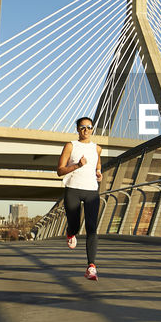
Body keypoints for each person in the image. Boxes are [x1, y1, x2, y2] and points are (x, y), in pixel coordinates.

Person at [57, 116, 103, 280]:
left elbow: (97, 164)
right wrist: (78, 165)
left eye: (89, 127)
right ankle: (71, 233)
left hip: (91, 190)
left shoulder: (97, 148)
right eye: (82, 127)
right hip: (73, 189)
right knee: (75, 225)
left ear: (92, 129)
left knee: (92, 228)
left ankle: (91, 267)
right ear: (77, 129)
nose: (86, 130)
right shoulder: (71, 146)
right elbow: (60, 170)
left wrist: (99, 173)